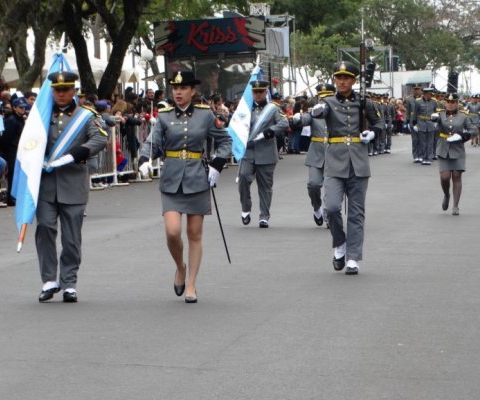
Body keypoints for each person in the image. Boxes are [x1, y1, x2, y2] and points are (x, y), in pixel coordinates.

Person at [137, 70, 231, 304]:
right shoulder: (164, 116)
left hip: (197, 177)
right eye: (175, 88)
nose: (178, 92)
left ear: (192, 90)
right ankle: (180, 266)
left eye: (183, 88)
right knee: (172, 231)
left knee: (194, 234)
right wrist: (144, 160)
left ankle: (191, 284)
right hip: (171, 177)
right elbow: (152, 143)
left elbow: (225, 141)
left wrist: (218, 164)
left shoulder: (205, 115)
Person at [36, 71, 107, 303]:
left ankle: (69, 283)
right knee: (45, 228)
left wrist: (72, 156)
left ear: (73, 90)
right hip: (46, 183)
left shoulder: (86, 116)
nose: (61, 94)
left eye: (66, 89)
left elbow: (99, 139)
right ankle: (48, 280)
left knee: (71, 238)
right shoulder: (41, 114)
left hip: (74, 182)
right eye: (57, 90)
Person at [311, 61, 383, 275]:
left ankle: (352, 257)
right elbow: (318, 114)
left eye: (346, 78)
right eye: (338, 77)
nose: (341, 81)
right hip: (335, 161)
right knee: (332, 208)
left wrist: (372, 134)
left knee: (356, 213)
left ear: (353, 80)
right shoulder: (328, 102)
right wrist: (314, 112)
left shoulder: (364, 102)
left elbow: (378, 124)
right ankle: (339, 244)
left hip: (358, 162)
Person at [238, 80, 289, 228]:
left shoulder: (272, 108)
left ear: (266, 92)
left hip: (266, 152)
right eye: (255, 92)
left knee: (265, 186)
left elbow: (284, 123)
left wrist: (271, 130)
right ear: (252, 93)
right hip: (249, 151)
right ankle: (246, 208)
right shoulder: (245, 108)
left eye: (261, 91)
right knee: (243, 177)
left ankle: (264, 216)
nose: (258, 94)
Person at [294, 83, 335, 227]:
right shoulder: (313, 112)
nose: (324, 100)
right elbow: (304, 120)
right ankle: (317, 208)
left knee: (332, 188)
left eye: (327, 97)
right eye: (321, 97)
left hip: (334, 153)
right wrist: (297, 118)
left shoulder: (338, 112)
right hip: (316, 152)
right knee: (313, 185)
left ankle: (329, 216)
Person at [432, 93, 477, 215]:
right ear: (445, 103)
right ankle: (446, 195)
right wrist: (434, 120)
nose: (450, 104)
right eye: (448, 102)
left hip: (457, 149)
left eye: (453, 102)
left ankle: (456, 206)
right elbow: (434, 123)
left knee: (457, 176)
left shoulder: (463, 116)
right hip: (443, 148)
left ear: (457, 104)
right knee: (445, 177)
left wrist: (462, 136)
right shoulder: (440, 114)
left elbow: (474, 129)